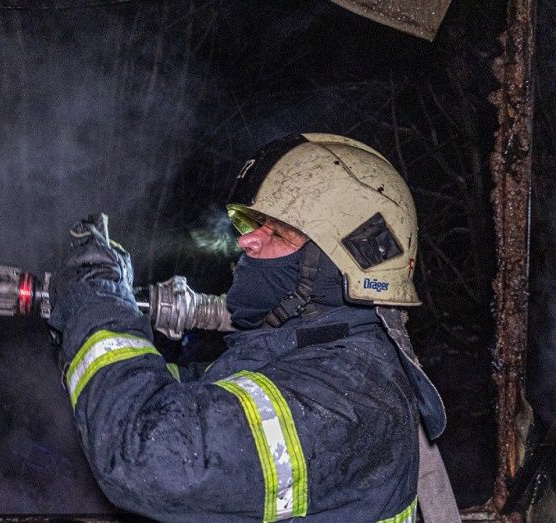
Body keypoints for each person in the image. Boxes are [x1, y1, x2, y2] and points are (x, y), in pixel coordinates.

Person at [48, 133, 452, 522]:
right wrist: (84, 323)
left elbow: (147, 456)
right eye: (252, 224)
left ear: (338, 266)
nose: (246, 241)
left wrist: (97, 302)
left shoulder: (350, 399)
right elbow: (167, 398)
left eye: (277, 232)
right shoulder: (299, 356)